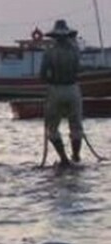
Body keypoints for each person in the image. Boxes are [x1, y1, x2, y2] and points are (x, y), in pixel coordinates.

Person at [39, 19, 83, 167]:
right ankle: (76, 156)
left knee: (52, 128)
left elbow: (42, 75)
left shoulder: (50, 52)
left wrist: (51, 78)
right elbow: (79, 70)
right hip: (72, 89)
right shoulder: (75, 51)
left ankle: (64, 159)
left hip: (55, 89)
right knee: (76, 126)